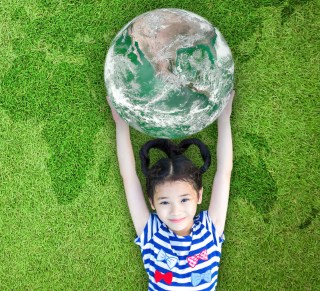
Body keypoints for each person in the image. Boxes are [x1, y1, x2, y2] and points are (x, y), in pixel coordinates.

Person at [108, 91, 234, 290]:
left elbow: (224, 173)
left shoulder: (211, 230)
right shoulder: (151, 233)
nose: (176, 211)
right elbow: (129, 177)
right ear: (152, 203)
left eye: (184, 200)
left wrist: (224, 117)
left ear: (199, 195)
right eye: (165, 202)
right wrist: (120, 123)